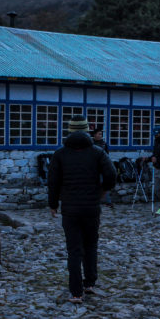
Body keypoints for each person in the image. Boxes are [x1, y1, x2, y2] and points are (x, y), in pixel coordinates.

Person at [49, 115, 117, 302]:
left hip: (70, 208)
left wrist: (53, 204)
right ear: (87, 130)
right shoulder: (97, 152)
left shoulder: (60, 154)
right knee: (90, 245)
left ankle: (76, 292)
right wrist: (102, 191)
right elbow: (111, 174)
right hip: (91, 207)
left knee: (74, 249)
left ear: (69, 131)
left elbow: (53, 182)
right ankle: (90, 283)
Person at [91, 127, 114, 208]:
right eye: (99, 134)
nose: (100, 135)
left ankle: (108, 201)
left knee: (104, 184)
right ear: (94, 135)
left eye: (101, 134)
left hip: (101, 167)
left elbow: (107, 156)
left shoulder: (104, 144)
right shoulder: (91, 144)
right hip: (92, 168)